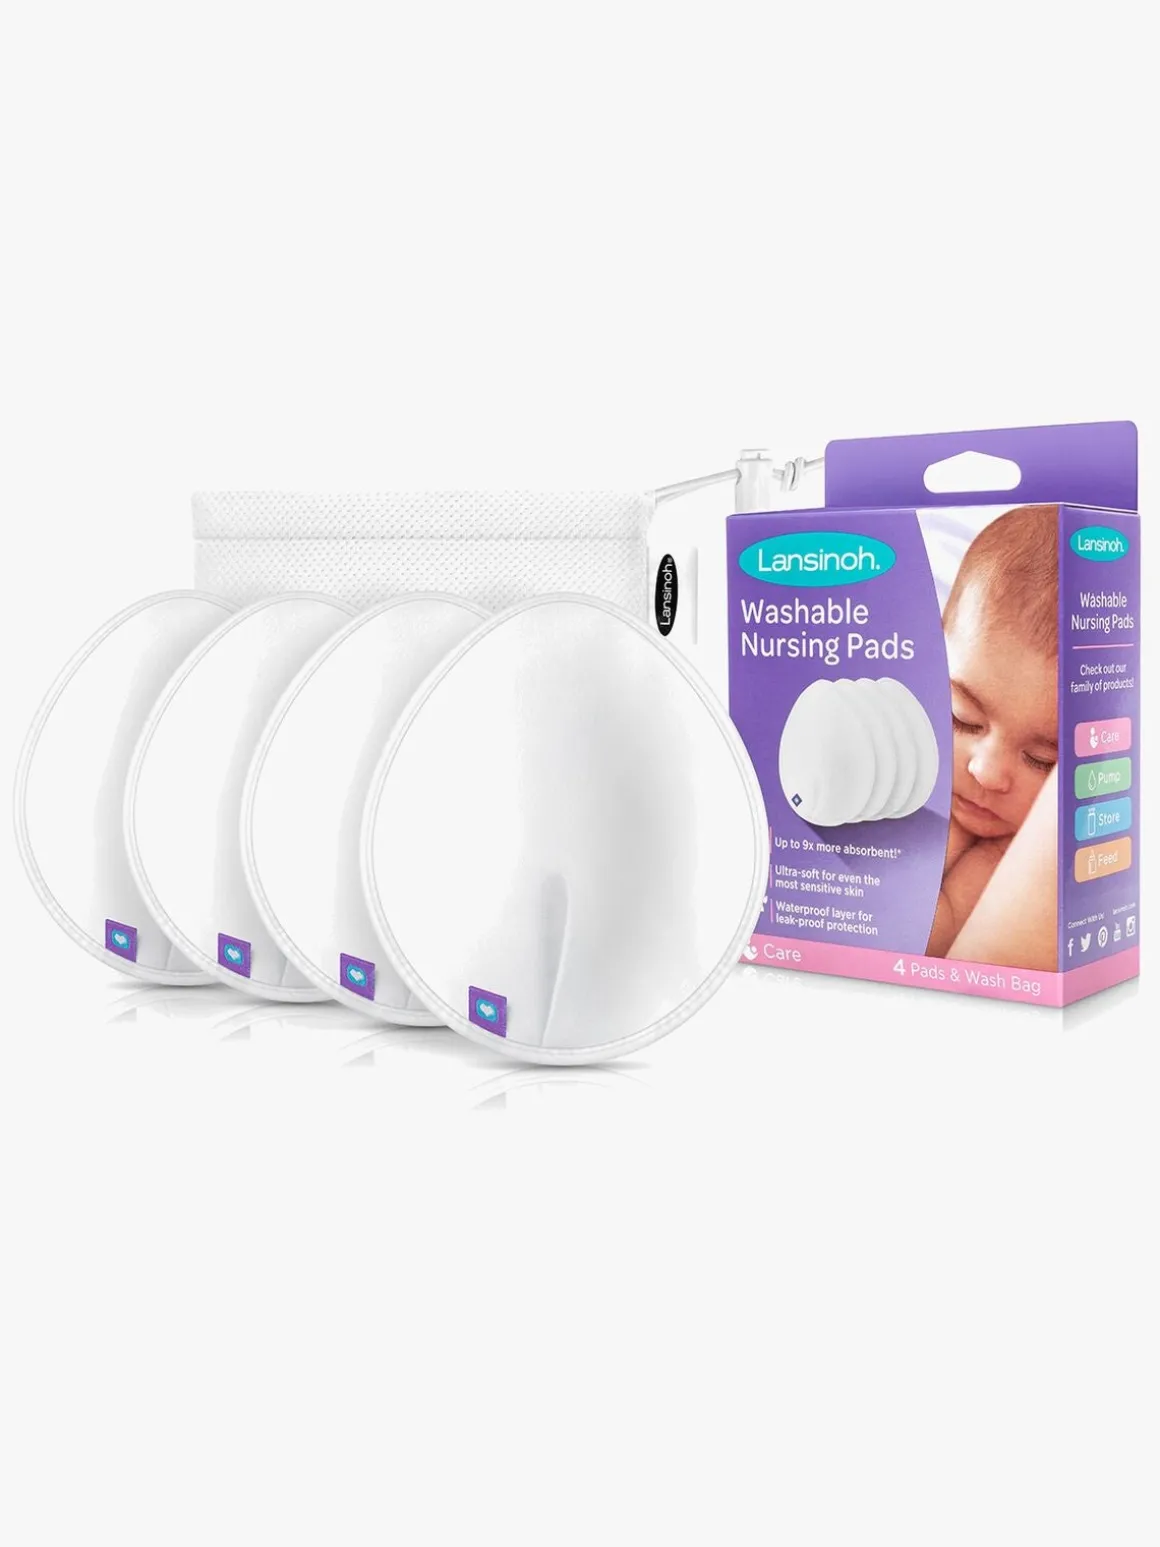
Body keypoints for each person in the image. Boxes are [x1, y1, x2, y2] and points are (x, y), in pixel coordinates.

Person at [926, 505, 1059, 960]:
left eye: (1042, 760)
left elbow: (920, 938)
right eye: (962, 717)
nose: (986, 772)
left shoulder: (1005, 858)